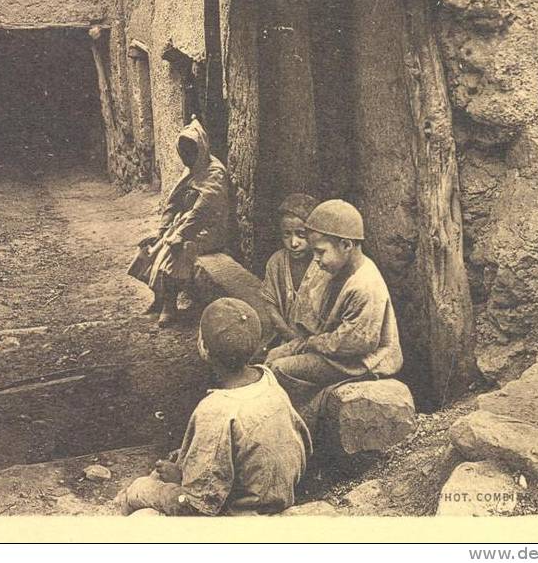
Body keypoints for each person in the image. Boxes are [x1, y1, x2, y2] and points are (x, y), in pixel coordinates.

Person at [117, 298, 312, 516]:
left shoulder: (215, 410)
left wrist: (176, 483)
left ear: (204, 348)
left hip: (242, 516)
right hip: (274, 493)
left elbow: (196, 507)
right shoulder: (267, 378)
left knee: (140, 492)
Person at [265, 199, 403, 406]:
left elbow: (354, 343)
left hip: (360, 361)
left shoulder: (364, 285)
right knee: (272, 357)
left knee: (279, 369)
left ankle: (305, 413)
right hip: (334, 350)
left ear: (346, 245)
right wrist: (296, 345)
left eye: (320, 252)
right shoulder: (336, 270)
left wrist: (307, 345)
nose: (315, 259)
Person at [128, 117, 229, 326]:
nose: (185, 157)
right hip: (186, 224)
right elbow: (173, 202)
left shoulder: (214, 172)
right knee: (150, 246)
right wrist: (163, 229)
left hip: (210, 230)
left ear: (201, 148)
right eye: (182, 152)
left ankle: (169, 305)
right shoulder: (191, 168)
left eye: (190, 152)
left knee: (175, 250)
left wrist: (180, 235)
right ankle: (159, 298)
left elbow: (202, 211)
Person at [261, 193, 326, 351]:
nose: (293, 243)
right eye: (287, 234)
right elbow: (270, 305)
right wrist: (290, 337)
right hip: (287, 338)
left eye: (301, 235)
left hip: (319, 343)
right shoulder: (277, 262)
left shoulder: (325, 264)